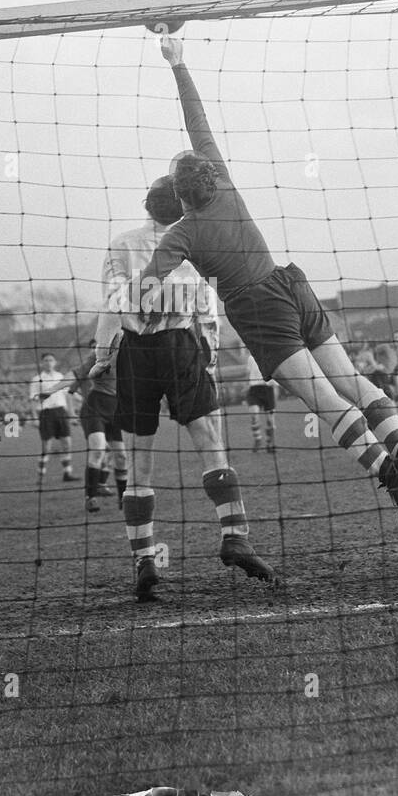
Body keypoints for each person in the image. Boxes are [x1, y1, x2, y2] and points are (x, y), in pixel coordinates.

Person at [135, 32, 398, 526]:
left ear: (177, 199)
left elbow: (147, 290)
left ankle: (390, 472)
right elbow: (196, 118)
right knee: (352, 382)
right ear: (205, 175)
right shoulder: (223, 182)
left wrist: (144, 306)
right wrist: (178, 63)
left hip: (257, 308)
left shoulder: (179, 235)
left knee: (323, 399)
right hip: (291, 285)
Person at [94, 175, 276, 602]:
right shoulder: (189, 246)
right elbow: (206, 311)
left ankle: (144, 560)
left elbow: (113, 303)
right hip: (180, 347)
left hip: (135, 353)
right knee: (210, 443)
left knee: (139, 460)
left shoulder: (121, 244)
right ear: (180, 207)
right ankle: (235, 535)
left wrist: (103, 357)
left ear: (147, 205)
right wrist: (207, 357)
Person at [46, 344, 129, 513]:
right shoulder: (98, 354)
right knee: (98, 450)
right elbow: (75, 374)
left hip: (116, 409)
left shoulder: (132, 353)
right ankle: (91, 498)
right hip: (94, 407)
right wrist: (52, 390)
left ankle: (124, 499)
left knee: (121, 456)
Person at [29, 353, 75, 483]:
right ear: (42, 363)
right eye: (46, 360)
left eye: (51, 360)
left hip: (61, 412)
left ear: (54, 362)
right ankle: (41, 476)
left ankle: (67, 473)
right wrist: (34, 417)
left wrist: (71, 413)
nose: (48, 362)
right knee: (46, 447)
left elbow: (67, 395)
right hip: (46, 413)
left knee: (67, 443)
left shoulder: (60, 377)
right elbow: (33, 399)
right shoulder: (37, 379)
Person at [244, 351, 278, 453]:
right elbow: (248, 373)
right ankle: (257, 439)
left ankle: (269, 444)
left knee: (270, 421)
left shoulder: (272, 356)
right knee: (254, 414)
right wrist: (246, 385)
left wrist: (274, 398)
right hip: (254, 390)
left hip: (268, 389)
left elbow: (276, 378)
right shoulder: (251, 358)